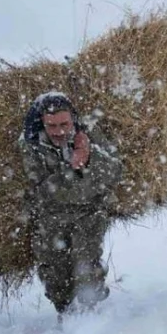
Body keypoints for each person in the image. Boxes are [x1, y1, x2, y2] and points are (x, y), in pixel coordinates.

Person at [19, 92, 124, 317]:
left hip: (89, 212)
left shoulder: (89, 134)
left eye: (64, 123)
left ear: (73, 119)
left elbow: (115, 170)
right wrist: (74, 168)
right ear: (42, 123)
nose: (59, 131)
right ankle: (65, 314)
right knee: (55, 274)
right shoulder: (31, 144)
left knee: (86, 266)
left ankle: (92, 314)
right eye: (52, 125)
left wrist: (89, 156)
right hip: (50, 216)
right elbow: (44, 189)